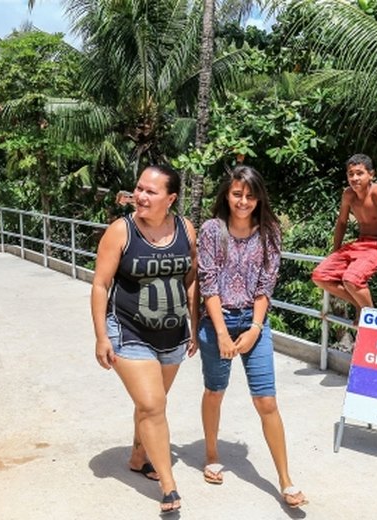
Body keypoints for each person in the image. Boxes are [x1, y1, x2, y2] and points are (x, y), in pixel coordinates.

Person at [196, 165, 308, 508]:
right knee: (215, 391)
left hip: (254, 321)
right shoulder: (212, 230)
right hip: (217, 321)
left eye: (250, 195)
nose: (243, 201)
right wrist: (222, 334)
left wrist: (255, 328)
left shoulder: (270, 232)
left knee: (266, 401)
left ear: (259, 197)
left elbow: (266, 285)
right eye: (236, 194)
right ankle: (212, 453)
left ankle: (285, 480)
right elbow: (208, 282)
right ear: (226, 195)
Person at [90, 165, 198, 514]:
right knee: (153, 405)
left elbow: (191, 278)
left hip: (173, 334)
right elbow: (100, 284)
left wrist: (193, 325)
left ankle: (139, 456)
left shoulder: (185, 229)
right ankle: (168, 486)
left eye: (151, 192)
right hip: (129, 330)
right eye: (139, 189)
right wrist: (101, 336)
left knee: (151, 403)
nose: (141, 196)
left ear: (171, 198)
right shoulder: (121, 231)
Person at [311, 153, 377, 323]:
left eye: (359, 173)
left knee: (351, 279)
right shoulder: (348, 194)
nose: (354, 178)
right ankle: (361, 305)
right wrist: (336, 251)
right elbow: (341, 222)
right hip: (361, 245)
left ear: (371, 174)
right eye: (350, 174)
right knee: (320, 276)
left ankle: (370, 317)